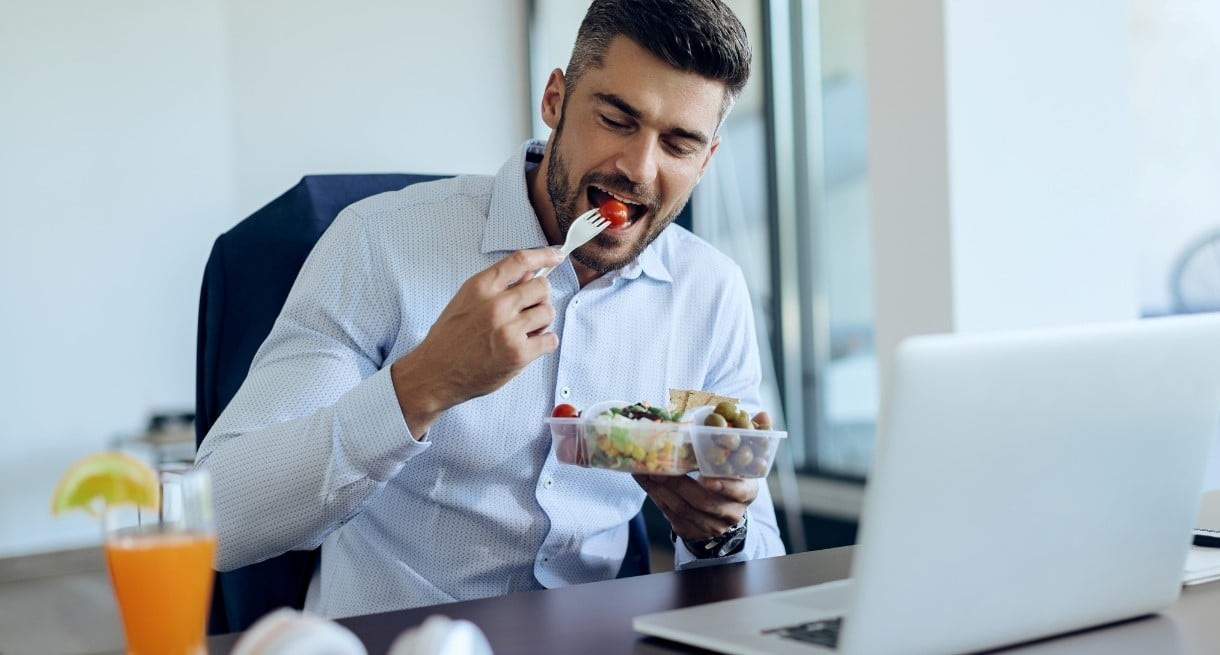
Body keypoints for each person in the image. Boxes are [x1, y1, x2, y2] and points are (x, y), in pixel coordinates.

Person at [196, 0, 785, 619]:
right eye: (616, 120)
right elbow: (217, 518)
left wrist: (716, 532)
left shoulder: (711, 292)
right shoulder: (379, 243)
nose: (640, 168)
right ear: (555, 100)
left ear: (707, 160)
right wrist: (423, 384)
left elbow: (760, 561)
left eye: (678, 144)